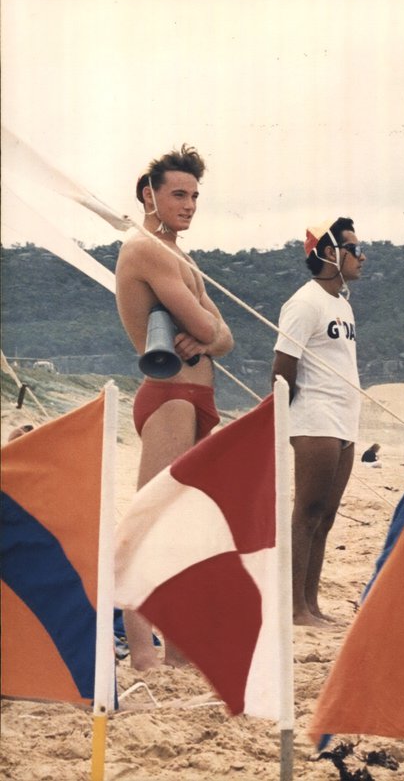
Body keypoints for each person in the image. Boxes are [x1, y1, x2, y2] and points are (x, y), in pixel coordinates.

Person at [115, 144, 234, 670]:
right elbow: (212, 328)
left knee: (183, 526)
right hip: (168, 396)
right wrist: (208, 335)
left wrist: (209, 337)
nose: (188, 205)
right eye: (178, 194)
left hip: (197, 396)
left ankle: (180, 651)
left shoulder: (180, 256)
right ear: (150, 195)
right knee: (149, 523)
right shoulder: (146, 250)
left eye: (194, 196)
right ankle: (143, 651)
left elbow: (225, 339)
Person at [272, 218, 365, 627]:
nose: (361, 258)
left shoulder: (342, 304)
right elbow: (283, 367)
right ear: (331, 253)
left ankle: (311, 604)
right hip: (314, 416)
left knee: (327, 516)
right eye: (354, 249)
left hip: (346, 419)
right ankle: (293, 606)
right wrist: (283, 421)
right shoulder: (304, 302)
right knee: (307, 511)